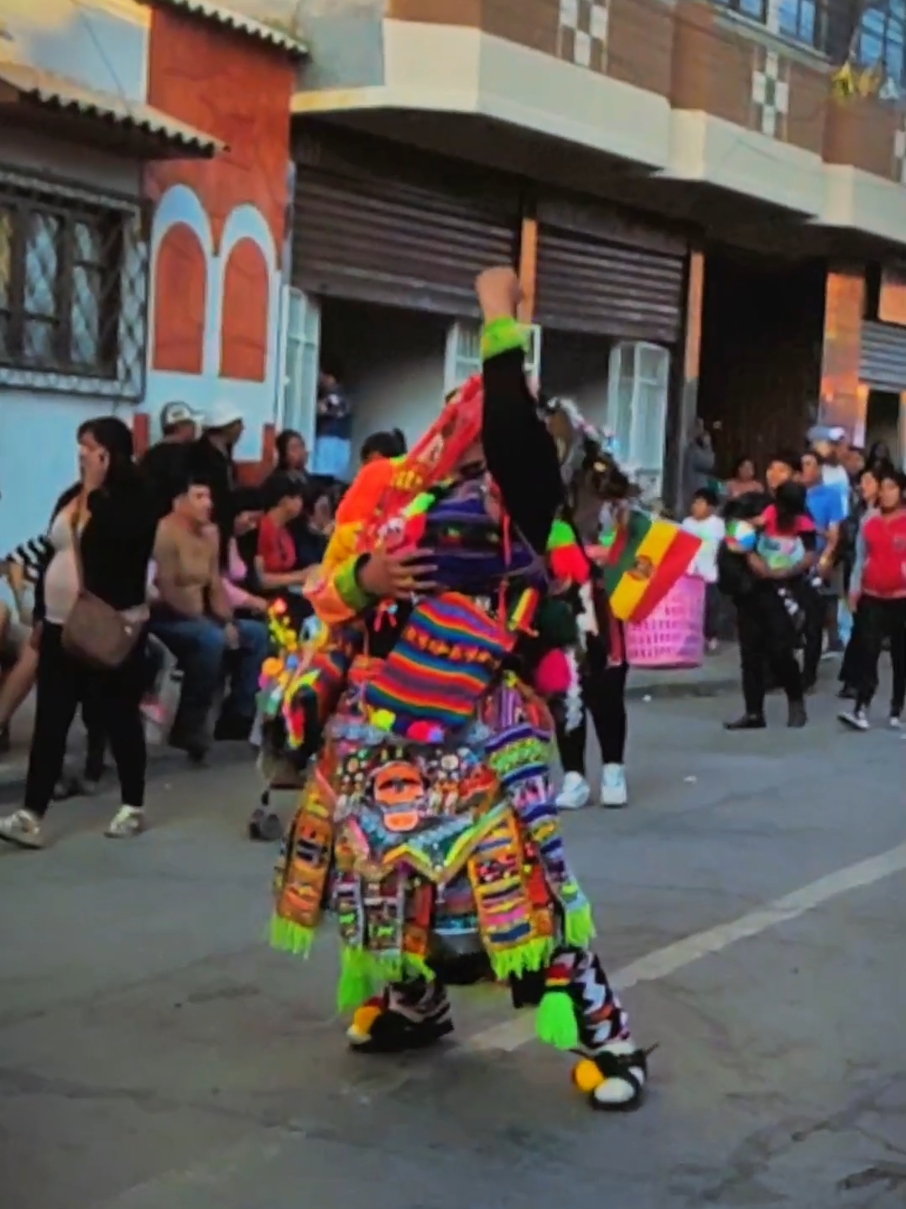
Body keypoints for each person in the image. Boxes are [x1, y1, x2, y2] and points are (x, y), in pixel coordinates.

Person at [262, 265, 651, 1111]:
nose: (473, 419)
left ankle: (607, 1032)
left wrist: (499, 315)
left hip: (480, 718)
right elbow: (329, 593)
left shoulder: (522, 495)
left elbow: (513, 420)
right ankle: (416, 1000)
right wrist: (366, 573)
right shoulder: (391, 491)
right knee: (387, 874)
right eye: (464, 406)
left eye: (490, 406)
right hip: (379, 721)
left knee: (524, 885)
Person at [0, 418, 157, 849]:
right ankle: (31, 813)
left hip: (105, 627)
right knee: (51, 718)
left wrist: (95, 488)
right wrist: (37, 616)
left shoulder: (133, 501)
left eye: (88, 447)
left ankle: (132, 803)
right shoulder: (72, 497)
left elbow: (119, 545)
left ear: (109, 453)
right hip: (57, 624)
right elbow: (51, 553)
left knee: (118, 715)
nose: (81, 454)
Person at [151, 473, 268, 752]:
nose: (207, 504)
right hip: (166, 615)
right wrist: (209, 623)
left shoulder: (211, 533)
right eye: (199, 497)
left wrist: (226, 620)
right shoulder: (164, 532)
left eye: (209, 497)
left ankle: (237, 716)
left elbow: (215, 583)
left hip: (203, 614)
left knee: (255, 634)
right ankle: (188, 725)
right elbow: (167, 588)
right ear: (179, 501)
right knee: (210, 641)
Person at [723, 456, 815, 731]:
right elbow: (739, 536)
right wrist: (753, 558)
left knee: (781, 650)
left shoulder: (803, 523)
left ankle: (796, 703)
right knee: (750, 652)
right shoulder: (765, 514)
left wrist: (787, 572)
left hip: (785, 591)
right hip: (754, 590)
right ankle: (753, 712)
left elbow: (810, 555)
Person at [838, 467, 906, 731]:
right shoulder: (869, 520)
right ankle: (861, 707)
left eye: (892, 488)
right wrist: (854, 590)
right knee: (868, 651)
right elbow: (860, 558)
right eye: (884, 487)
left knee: (901, 655)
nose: (887, 493)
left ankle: (896, 708)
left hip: (901, 597)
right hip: (872, 595)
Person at [800, 450, 846, 690]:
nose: (805, 469)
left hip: (816, 562)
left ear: (819, 468)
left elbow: (834, 535)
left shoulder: (831, 495)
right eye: (802, 465)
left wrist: (825, 560)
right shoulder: (794, 495)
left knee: (813, 623)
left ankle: (809, 674)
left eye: (809, 464)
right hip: (791, 562)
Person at [839, 464, 882, 699]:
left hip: (878, 577)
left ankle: (857, 678)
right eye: (862, 481)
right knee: (861, 629)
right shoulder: (858, 511)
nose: (863, 486)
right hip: (856, 572)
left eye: (869, 482)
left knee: (867, 631)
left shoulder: (883, 514)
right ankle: (854, 678)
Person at [189, 402, 244, 565]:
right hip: (206, 528)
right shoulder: (200, 456)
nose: (242, 429)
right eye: (238, 424)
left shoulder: (225, 455)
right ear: (226, 427)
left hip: (223, 528)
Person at [682, 487, 726, 654]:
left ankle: (711, 637)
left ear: (711, 507)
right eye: (694, 502)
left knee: (710, 607)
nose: (695, 506)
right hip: (688, 574)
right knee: (689, 609)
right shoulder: (687, 523)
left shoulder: (718, 524)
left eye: (700, 503)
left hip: (709, 574)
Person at [140, 401, 201, 520]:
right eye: (190, 424)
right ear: (180, 426)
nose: (194, 428)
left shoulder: (150, 455)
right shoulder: (184, 454)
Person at [311, 368, 352, 480]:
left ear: (331, 378)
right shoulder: (342, 395)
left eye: (322, 375)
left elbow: (322, 410)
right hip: (339, 440)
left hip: (329, 440)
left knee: (323, 476)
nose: (319, 379)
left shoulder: (334, 396)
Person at [682, 417, 716, 509]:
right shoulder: (693, 450)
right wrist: (707, 444)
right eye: (700, 427)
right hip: (694, 492)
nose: (703, 431)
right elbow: (709, 463)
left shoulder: (692, 448)